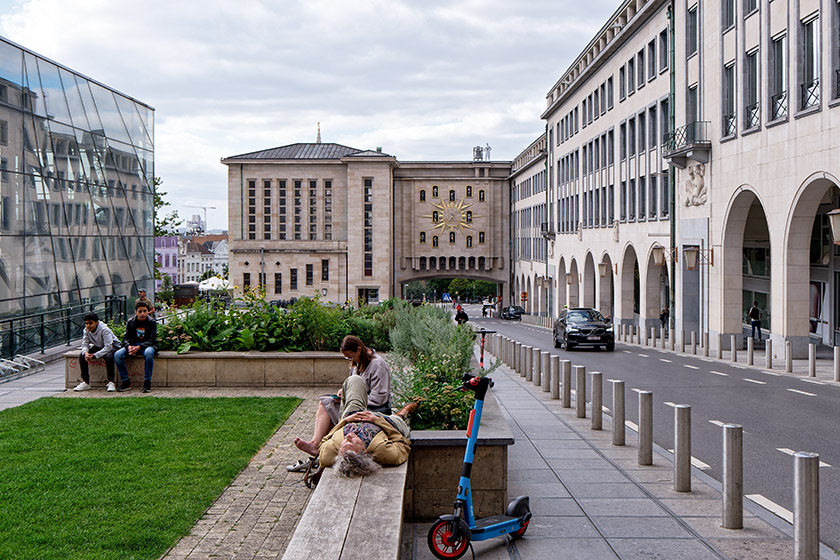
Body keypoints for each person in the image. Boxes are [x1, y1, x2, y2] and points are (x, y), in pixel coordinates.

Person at [293, 335, 391, 457]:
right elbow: (352, 384)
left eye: (351, 356)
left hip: (373, 410)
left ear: (359, 349)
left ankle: (322, 447)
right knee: (326, 403)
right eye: (347, 358)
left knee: (330, 409)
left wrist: (352, 400)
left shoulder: (377, 365)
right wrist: (343, 392)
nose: (351, 360)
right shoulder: (358, 363)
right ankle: (316, 444)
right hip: (355, 405)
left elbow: (379, 398)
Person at [319, 375, 411, 477]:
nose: (348, 436)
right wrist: (378, 421)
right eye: (352, 442)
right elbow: (403, 443)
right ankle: (403, 412)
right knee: (400, 420)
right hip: (385, 422)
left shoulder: (328, 454)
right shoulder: (384, 452)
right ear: (364, 451)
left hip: (353, 416)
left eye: (344, 443)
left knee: (354, 379)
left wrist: (345, 421)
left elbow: (324, 440)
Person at [115, 299, 157, 393]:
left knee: (149, 353)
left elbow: (152, 339)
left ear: (148, 311)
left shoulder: (151, 322)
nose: (142, 314)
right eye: (140, 311)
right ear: (135, 312)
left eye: (145, 311)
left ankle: (147, 382)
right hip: (133, 345)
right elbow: (126, 338)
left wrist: (139, 347)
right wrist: (128, 347)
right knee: (118, 355)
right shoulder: (131, 322)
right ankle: (126, 382)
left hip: (147, 346)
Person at [74, 312, 121, 392]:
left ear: (96, 323)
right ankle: (86, 382)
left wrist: (95, 355)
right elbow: (85, 343)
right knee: (81, 356)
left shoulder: (104, 330)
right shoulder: (86, 330)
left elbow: (108, 347)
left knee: (108, 356)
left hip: (113, 346)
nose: (88, 326)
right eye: (86, 323)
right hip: (99, 346)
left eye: (90, 323)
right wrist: (86, 353)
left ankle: (111, 382)